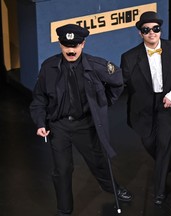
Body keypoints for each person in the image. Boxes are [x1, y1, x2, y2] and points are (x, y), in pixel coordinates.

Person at [29, 24, 132, 216]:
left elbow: (118, 80)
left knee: (98, 163)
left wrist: (104, 102)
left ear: (83, 44)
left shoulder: (96, 65)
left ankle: (113, 188)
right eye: (66, 45)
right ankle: (64, 210)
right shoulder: (48, 67)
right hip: (59, 126)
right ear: (60, 45)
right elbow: (39, 98)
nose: (70, 50)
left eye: (75, 45)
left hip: (85, 124)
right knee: (62, 170)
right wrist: (41, 122)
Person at [120, 11, 171, 205]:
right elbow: (121, 83)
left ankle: (159, 192)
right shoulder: (129, 57)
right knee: (149, 143)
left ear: (160, 30)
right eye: (146, 30)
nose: (152, 33)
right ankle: (165, 164)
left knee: (163, 145)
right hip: (142, 110)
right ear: (140, 33)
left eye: (155, 29)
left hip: (168, 106)